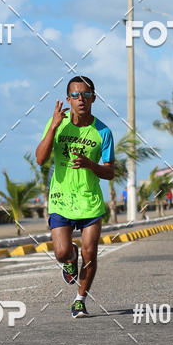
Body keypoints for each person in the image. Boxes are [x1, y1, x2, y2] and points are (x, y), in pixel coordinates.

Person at [35, 76, 114, 318]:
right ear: (68, 99)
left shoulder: (103, 132)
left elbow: (110, 172)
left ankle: (80, 300)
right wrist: (53, 127)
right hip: (61, 199)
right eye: (76, 95)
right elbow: (40, 159)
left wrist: (91, 164)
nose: (81, 99)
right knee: (61, 252)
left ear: (94, 98)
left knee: (90, 252)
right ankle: (70, 257)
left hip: (89, 201)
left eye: (86, 95)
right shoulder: (57, 123)